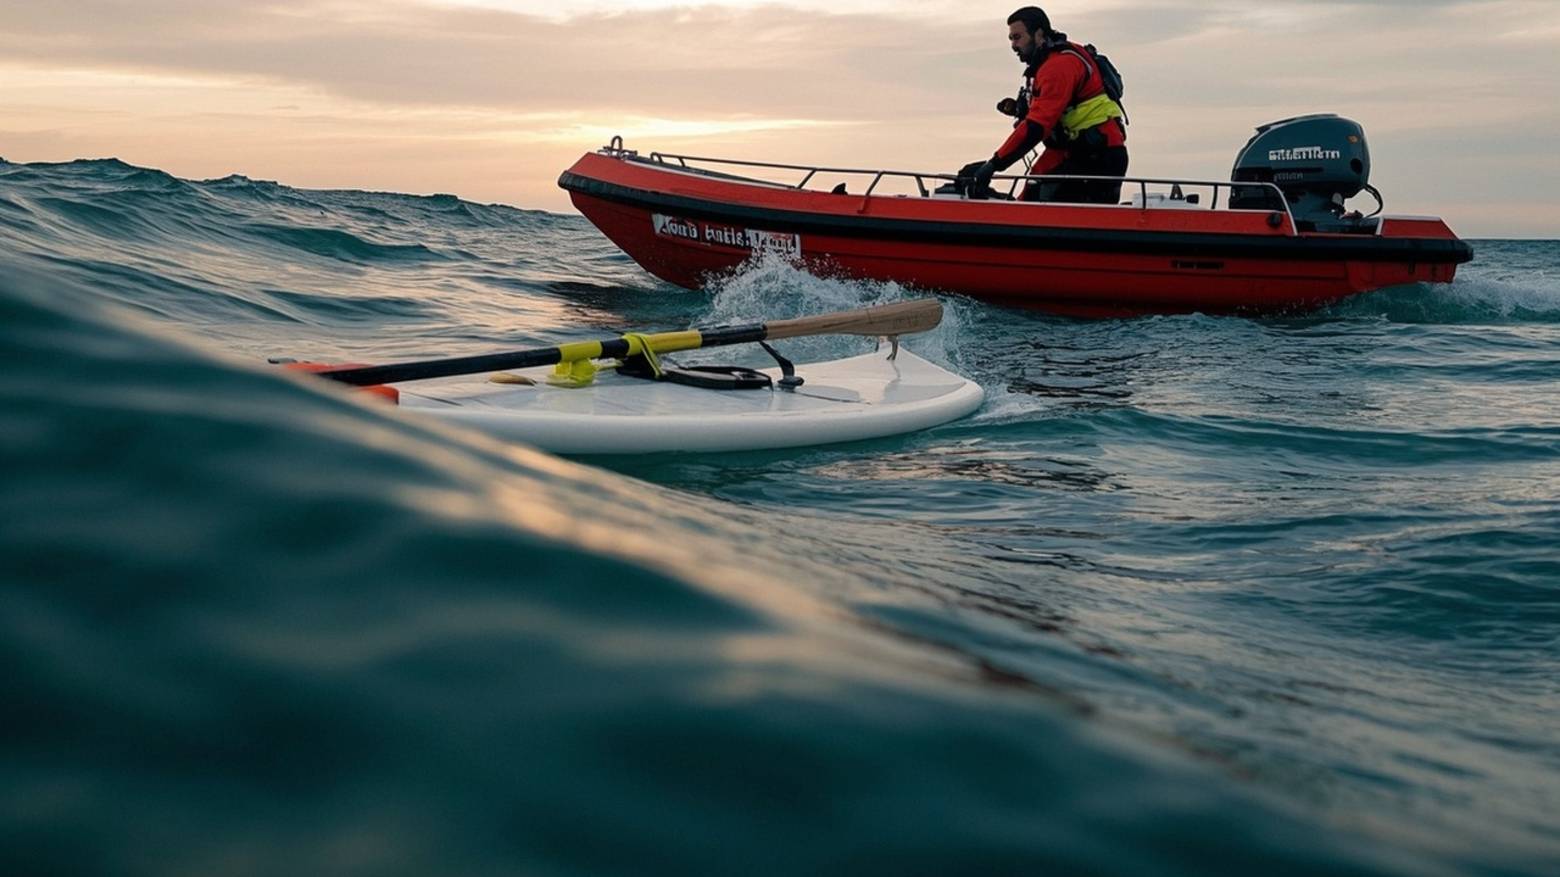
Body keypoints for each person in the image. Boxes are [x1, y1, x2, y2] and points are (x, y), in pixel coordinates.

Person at [959, 7, 1128, 203]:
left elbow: (1037, 125)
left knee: (1046, 200)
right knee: (1031, 192)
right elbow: (1052, 107)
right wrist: (1019, 109)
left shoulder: (1059, 66)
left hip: (1097, 156)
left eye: (1017, 37)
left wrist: (994, 164)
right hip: (1075, 150)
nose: (1013, 45)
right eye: (1011, 39)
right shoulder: (1050, 61)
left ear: (1038, 34)